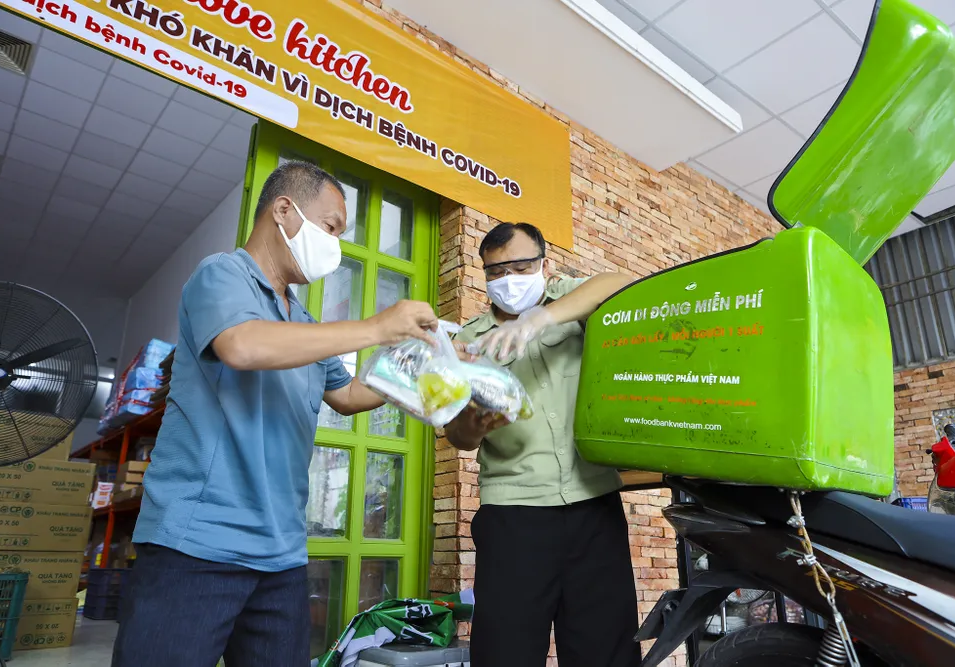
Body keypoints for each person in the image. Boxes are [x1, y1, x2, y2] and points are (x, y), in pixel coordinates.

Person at [112, 161, 437, 667]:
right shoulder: (221, 274)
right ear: (284, 210)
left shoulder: (303, 322)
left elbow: (349, 395)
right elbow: (242, 345)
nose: (336, 245)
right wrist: (376, 327)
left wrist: (420, 368)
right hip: (197, 544)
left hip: (281, 553)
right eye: (331, 227)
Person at [447, 222, 639, 667]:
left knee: (607, 652)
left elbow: (621, 283)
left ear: (544, 266)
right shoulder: (467, 342)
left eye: (520, 267)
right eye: (496, 272)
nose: (508, 279)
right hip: (514, 517)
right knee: (505, 653)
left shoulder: (569, 301)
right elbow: (458, 438)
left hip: (594, 506)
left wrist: (541, 318)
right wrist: (473, 424)